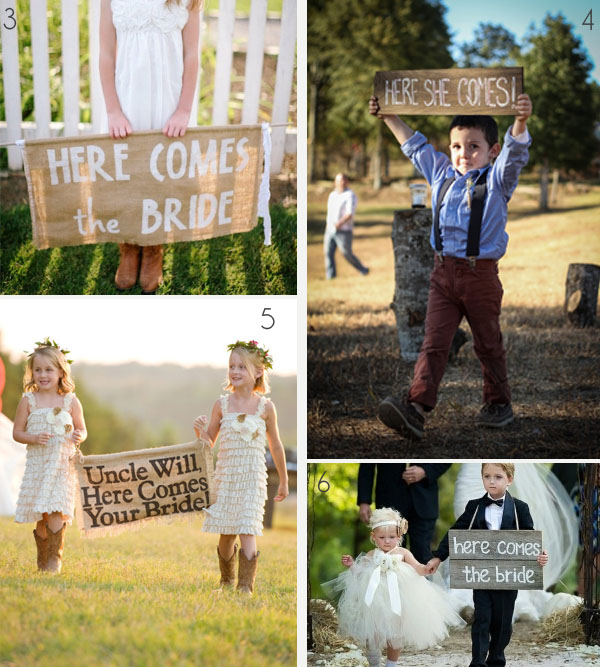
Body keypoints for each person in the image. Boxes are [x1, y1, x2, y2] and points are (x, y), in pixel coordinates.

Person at [370, 93, 533, 438]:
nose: (464, 154)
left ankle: (498, 403)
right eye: (457, 146)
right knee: (434, 342)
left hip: (480, 276)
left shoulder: (498, 181)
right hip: (442, 275)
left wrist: (520, 120)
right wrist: (388, 117)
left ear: (491, 152)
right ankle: (416, 408)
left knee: (487, 343)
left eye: (474, 146)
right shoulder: (441, 172)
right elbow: (414, 146)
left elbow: (515, 154)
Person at [99, 0, 202, 293]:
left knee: (160, 180)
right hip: (126, 103)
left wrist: (183, 110)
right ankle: (129, 246)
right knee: (127, 178)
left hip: (167, 106)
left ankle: (154, 247)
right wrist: (113, 111)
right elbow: (106, 54)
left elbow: (192, 55)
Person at [426, 463, 549, 667]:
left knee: (502, 623)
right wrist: (438, 556)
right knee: (482, 618)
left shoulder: (520, 508)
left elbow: (530, 539)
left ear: (509, 479)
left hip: (509, 577)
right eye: (487, 476)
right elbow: (455, 533)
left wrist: (539, 555)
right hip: (481, 575)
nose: (491, 481)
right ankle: (477, 661)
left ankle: (496, 657)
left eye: (498, 477)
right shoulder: (474, 507)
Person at [193, 340, 288, 595]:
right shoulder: (221, 405)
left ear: (258, 372)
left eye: (242, 367)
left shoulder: (266, 407)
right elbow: (208, 443)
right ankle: (226, 581)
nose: (235, 371)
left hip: (252, 479)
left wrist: (284, 480)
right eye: (232, 366)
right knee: (227, 534)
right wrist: (199, 430)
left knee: (248, 527)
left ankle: (246, 586)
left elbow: (276, 445)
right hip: (226, 478)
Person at [324, 507, 464, 667]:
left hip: (399, 598)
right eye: (382, 537)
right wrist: (351, 566)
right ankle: (374, 660)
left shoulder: (403, 553)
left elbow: (417, 567)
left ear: (399, 536)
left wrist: (425, 569)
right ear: (374, 537)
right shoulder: (371, 554)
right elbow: (359, 574)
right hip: (375, 602)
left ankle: (392, 663)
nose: (387, 541)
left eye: (392, 537)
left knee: (395, 634)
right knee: (373, 633)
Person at [13, 339, 87, 573]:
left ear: (60, 372)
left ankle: (55, 560)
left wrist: (78, 436)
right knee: (43, 514)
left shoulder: (70, 401)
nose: (43, 374)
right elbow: (17, 433)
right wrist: (33, 438)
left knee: (56, 509)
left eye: (48, 369)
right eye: (38, 370)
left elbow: (82, 429)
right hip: (39, 465)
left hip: (62, 464)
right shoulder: (28, 401)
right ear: (31, 372)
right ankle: (43, 559)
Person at [358, 462, 451, 564]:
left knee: (422, 556)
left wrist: (426, 471)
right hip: (388, 499)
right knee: (390, 556)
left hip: (424, 500)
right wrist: (364, 500)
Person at [324, 173, 369, 279]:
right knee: (328, 253)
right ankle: (331, 276)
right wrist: (328, 225)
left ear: (347, 182)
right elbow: (329, 212)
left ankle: (363, 269)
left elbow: (350, 213)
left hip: (344, 230)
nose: (341, 183)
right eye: (339, 181)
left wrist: (340, 223)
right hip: (330, 230)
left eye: (343, 180)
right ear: (335, 182)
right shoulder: (332, 195)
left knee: (346, 254)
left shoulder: (350, 195)